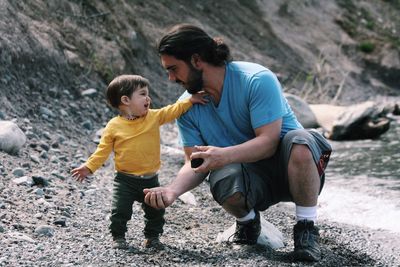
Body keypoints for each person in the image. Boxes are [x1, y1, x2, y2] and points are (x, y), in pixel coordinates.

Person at [143, 24, 332, 262]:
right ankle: (248, 222)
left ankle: (306, 229)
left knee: (301, 140)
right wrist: (172, 190)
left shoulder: (255, 79)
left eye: (173, 69)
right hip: (250, 180)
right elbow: (194, 162)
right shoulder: (187, 107)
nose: (170, 78)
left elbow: (269, 143)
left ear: (196, 60)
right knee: (221, 176)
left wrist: (222, 156)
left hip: (294, 170)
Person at [71, 74, 207, 250]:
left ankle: (152, 237)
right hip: (125, 180)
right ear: (126, 100)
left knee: (156, 210)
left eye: (147, 94)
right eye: (142, 94)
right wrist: (88, 167)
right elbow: (102, 151)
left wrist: (191, 100)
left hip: (150, 179)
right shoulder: (114, 126)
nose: (148, 98)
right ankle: (118, 237)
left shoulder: (153, 117)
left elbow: (172, 110)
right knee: (120, 211)